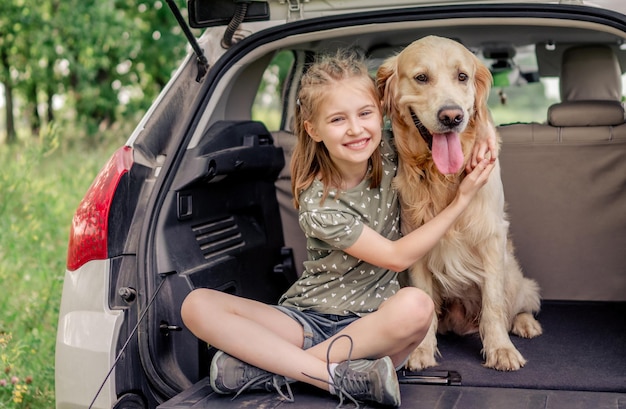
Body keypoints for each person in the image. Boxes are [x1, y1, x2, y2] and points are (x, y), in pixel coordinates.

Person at [180, 50, 496, 408]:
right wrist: (460, 202)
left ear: (382, 112)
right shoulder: (319, 202)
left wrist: (484, 132)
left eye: (365, 113)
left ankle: (280, 369)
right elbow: (396, 258)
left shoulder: (396, 152)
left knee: (416, 307)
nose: (356, 129)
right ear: (313, 129)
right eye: (337, 120)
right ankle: (334, 377)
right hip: (308, 319)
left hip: (376, 327)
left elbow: (454, 118)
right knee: (196, 304)